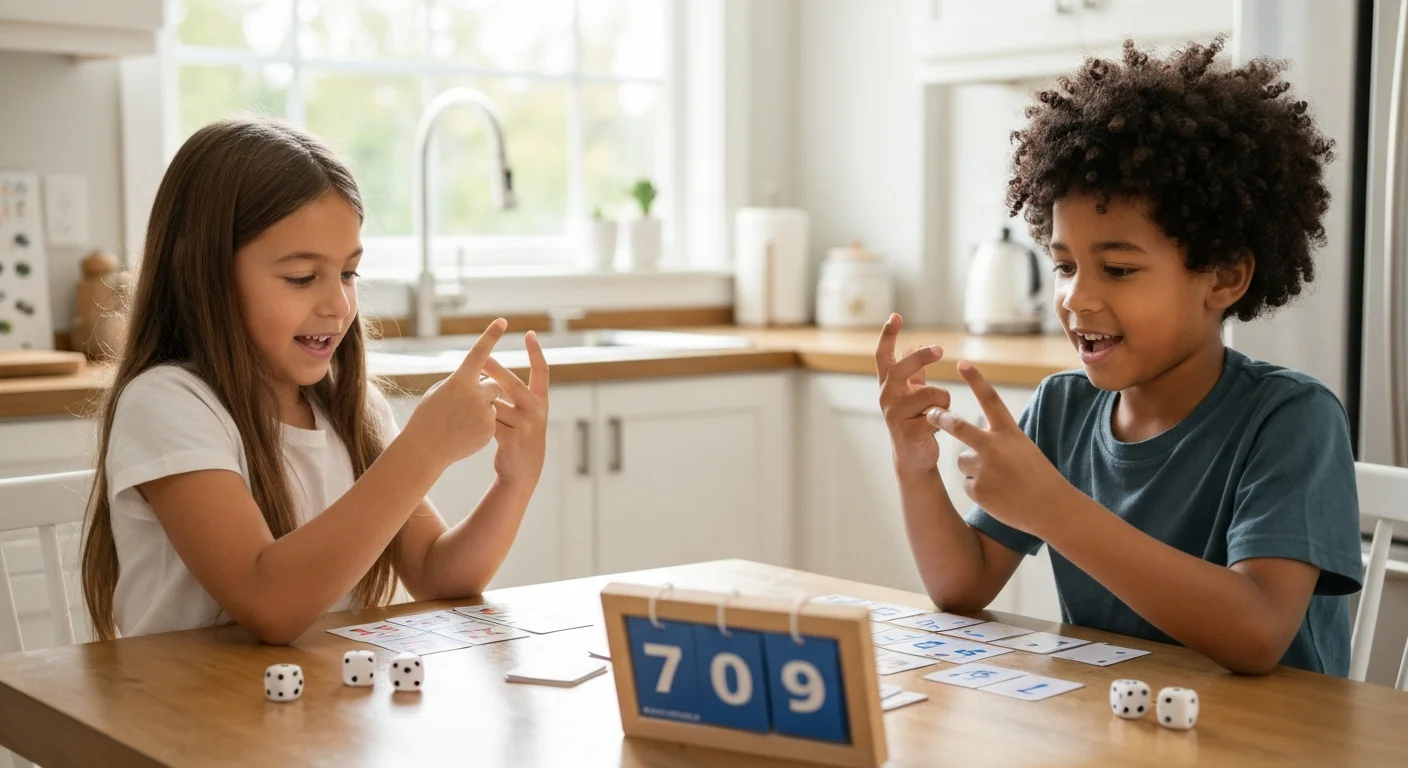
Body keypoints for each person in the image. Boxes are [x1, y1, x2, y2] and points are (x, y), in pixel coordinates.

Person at [878, 37, 1362, 675]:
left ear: (1222, 277)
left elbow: (1257, 632)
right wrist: (915, 466)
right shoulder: (1063, 407)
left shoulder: (1290, 418)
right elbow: (962, 586)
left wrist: (1053, 508)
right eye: (1064, 265)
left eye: (1118, 268)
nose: (1077, 297)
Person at [80, 118, 549, 644]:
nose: (338, 305)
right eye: (302, 277)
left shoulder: (351, 409)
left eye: (348, 273)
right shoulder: (169, 404)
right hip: (183, 715)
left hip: (312, 713)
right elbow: (269, 603)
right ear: (204, 275)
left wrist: (515, 480)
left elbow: (439, 576)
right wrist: (424, 449)